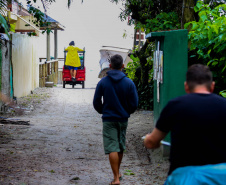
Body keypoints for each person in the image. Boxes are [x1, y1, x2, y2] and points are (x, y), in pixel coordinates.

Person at [143, 64, 226, 179]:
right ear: (212, 86)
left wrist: (148, 139)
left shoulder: (175, 105)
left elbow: (152, 142)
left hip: (184, 177)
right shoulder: (223, 105)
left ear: (186, 86)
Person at [93, 54, 138, 185]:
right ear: (123, 66)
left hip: (109, 119)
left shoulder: (103, 82)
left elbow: (96, 101)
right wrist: (127, 112)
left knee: (112, 147)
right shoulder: (129, 83)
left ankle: (116, 178)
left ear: (110, 66)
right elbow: (134, 103)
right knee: (120, 145)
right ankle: (117, 172)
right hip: (123, 119)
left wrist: (103, 111)